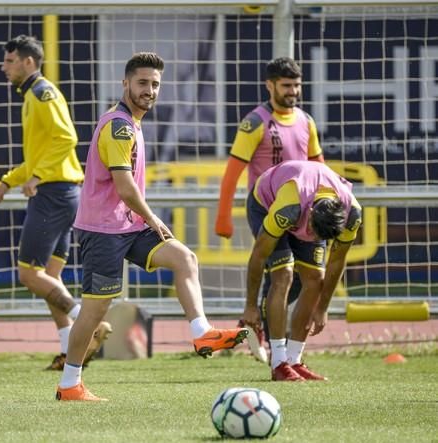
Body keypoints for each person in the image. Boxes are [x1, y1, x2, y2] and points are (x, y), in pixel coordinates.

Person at [55, 52, 248, 402]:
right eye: (142, 83)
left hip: (128, 226)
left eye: (155, 84)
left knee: (184, 258)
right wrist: (154, 218)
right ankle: (70, 384)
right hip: (103, 231)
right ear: (125, 83)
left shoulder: (132, 123)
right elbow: (125, 188)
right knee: (95, 309)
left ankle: (201, 332)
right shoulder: (119, 125)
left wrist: (144, 220)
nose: (150, 90)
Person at [0, 35, 111, 370]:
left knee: (29, 275)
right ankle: (68, 350)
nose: (5, 67)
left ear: (28, 62)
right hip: (62, 192)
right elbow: (39, 155)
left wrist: (37, 177)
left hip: (54, 194)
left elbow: (66, 138)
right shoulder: (33, 93)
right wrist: (9, 180)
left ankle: (91, 326)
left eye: (10, 61)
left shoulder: (42, 93)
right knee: (50, 279)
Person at [215, 57, 325, 363]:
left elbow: (318, 166)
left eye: (296, 85)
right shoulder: (255, 122)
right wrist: (223, 216)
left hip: (300, 209)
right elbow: (232, 172)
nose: (292, 91)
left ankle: (255, 325)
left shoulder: (306, 121)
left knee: (300, 277)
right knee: (281, 271)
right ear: (270, 85)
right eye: (286, 85)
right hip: (265, 207)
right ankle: (264, 333)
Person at [242, 160, 362, 381]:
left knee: (315, 279)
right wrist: (250, 306)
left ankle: (295, 360)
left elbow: (336, 263)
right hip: (265, 204)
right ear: (312, 214)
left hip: (307, 212)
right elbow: (258, 256)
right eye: (313, 233)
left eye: (321, 239)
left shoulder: (351, 215)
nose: (315, 240)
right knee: (283, 275)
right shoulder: (289, 207)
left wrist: (323, 308)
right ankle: (279, 363)